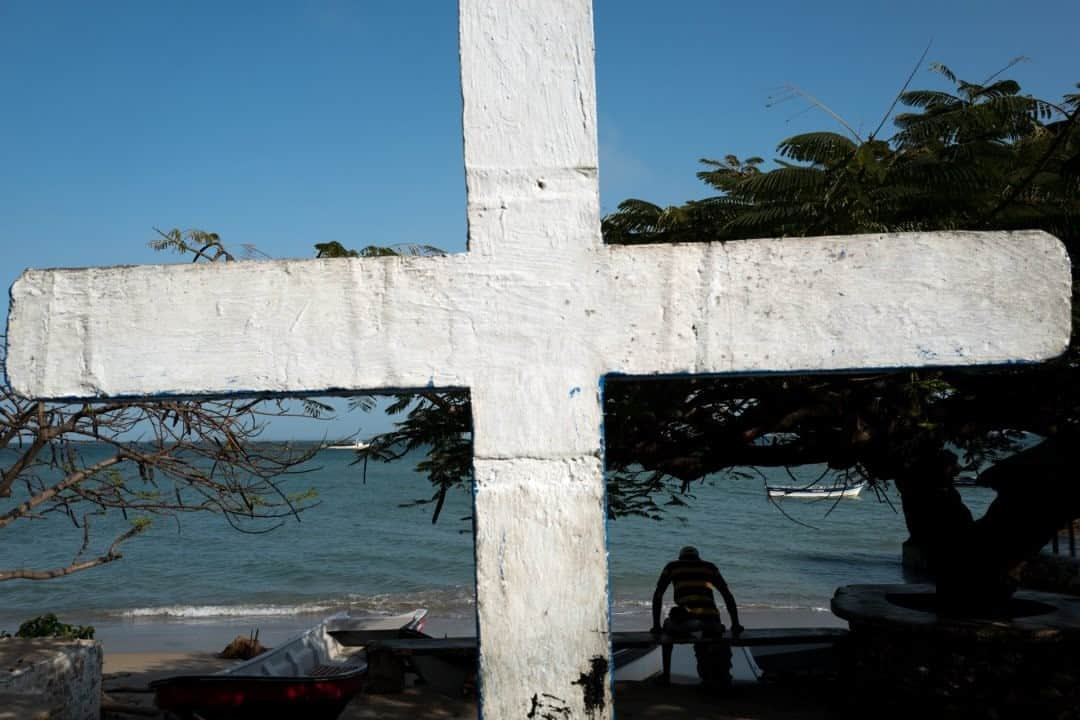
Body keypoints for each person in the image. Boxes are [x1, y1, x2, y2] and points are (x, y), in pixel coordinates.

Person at [650, 545, 743, 687]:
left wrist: (656, 625)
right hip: (712, 622)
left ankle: (666, 676)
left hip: (688, 622)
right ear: (698, 557)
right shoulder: (709, 567)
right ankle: (717, 677)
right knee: (710, 641)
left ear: (680, 558)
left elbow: (658, 595)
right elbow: (727, 595)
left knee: (666, 630)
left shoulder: (673, 567)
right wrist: (735, 624)